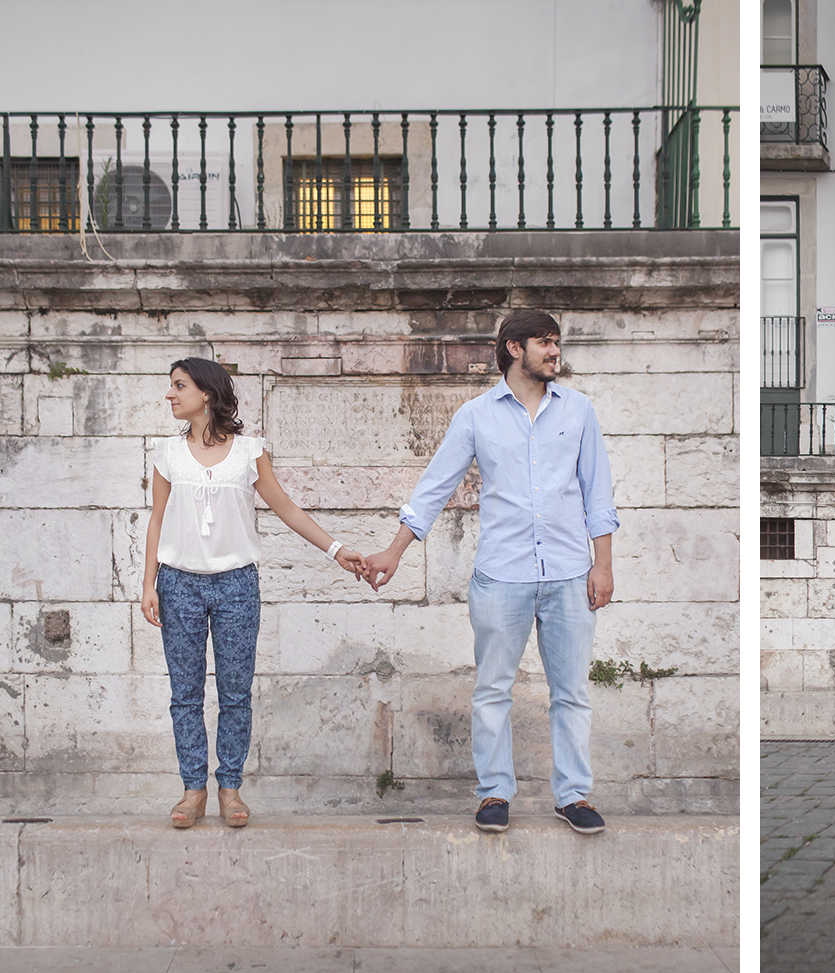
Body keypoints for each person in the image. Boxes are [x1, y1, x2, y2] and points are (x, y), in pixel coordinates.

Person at [360, 310, 618, 836]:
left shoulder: (580, 411)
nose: (554, 351)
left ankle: (573, 796)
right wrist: (395, 551)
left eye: (556, 342)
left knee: (571, 692)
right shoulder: (475, 416)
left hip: (570, 571)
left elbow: (598, 491)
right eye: (544, 342)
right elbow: (435, 485)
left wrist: (604, 564)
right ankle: (494, 793)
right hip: (502, 574)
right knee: (493, 690)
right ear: (514, 348)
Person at [142, 358, 366, 829]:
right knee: (184, 694)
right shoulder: (166, 452)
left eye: (178, 386)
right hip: (179, 583)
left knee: (235, 692)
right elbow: (158, 519)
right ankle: (192, 790)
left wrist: (336, 549)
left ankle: (230, 787)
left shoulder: (249, 451)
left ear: (206, 392)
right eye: (170, 386)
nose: (170, 394)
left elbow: (284, 505)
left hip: (237, 586)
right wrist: (148, 584)